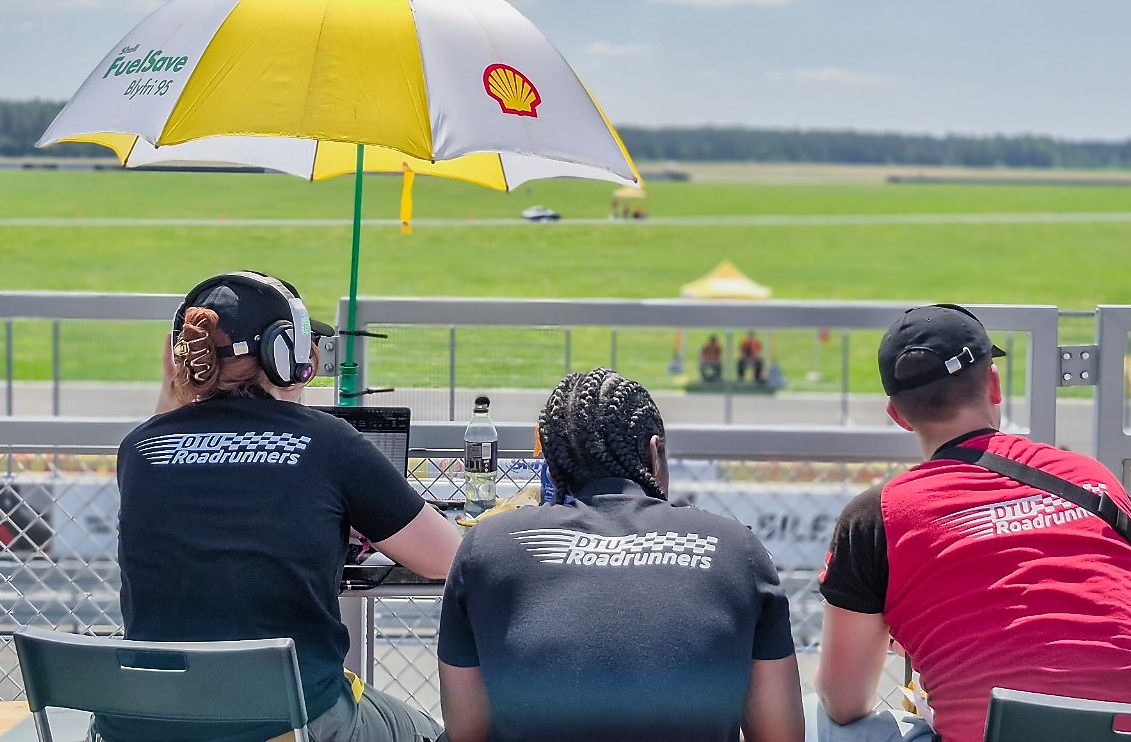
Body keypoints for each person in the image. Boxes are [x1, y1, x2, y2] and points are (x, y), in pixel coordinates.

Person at [101, 271, 460, 742]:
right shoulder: (329, 442)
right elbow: (447, 558)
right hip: (286, 722)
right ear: (285, 354)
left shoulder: (138, 449)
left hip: (148, 723)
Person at [812, 304, 1131, 742]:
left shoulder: (877, 515)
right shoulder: (1094, 479)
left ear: (897, 415)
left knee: (815, 718)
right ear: (994, 385)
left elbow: (843, 702)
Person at [437, 368, 805, 742]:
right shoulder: (735, 548)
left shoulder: (488, 546)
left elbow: (465, 731)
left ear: (552, 465)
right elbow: (781, 736)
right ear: (654, 452)